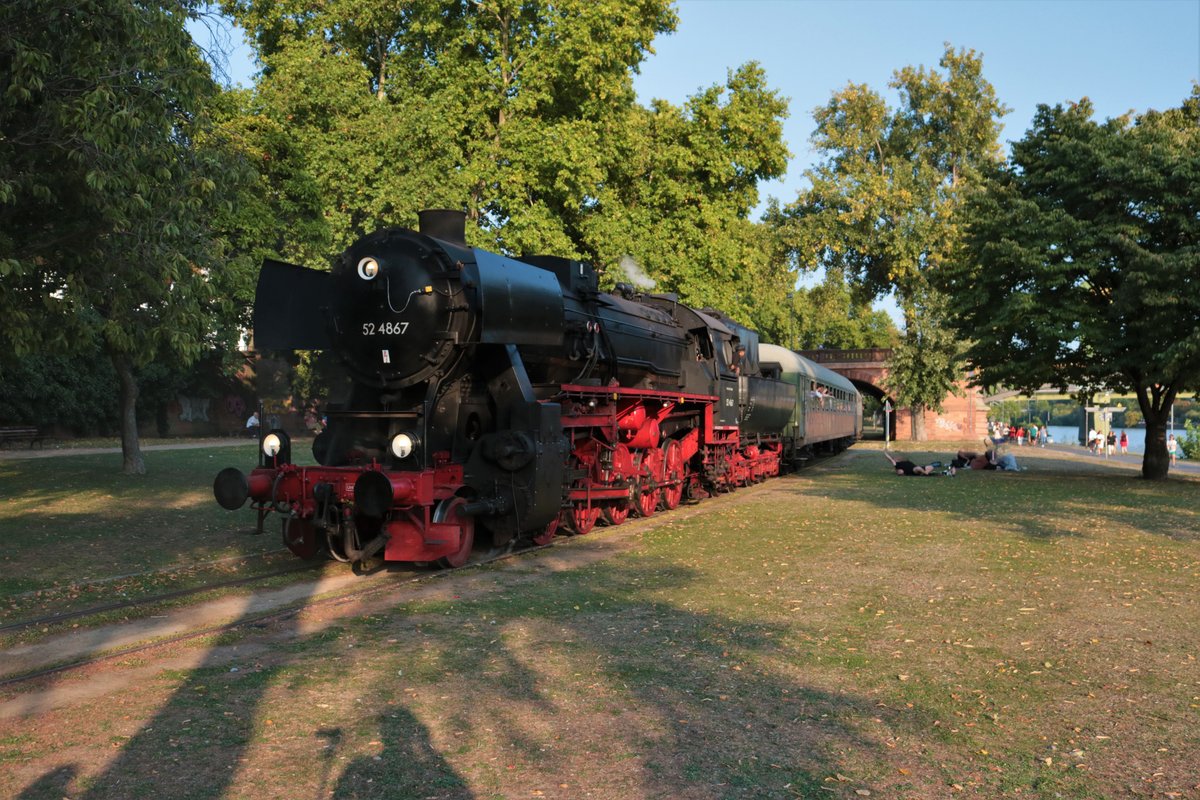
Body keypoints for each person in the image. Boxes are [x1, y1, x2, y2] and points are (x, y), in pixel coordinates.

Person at [883, 451, 953, 476]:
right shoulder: (897, 465)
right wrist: (885, 453)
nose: (897, 458)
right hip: (914, 470)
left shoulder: (905, 461)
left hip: (918, 468)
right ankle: (925, 474)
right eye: (895, 458)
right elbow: (890, 459)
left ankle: (924, 472)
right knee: (918, 468)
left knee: (931, 467)